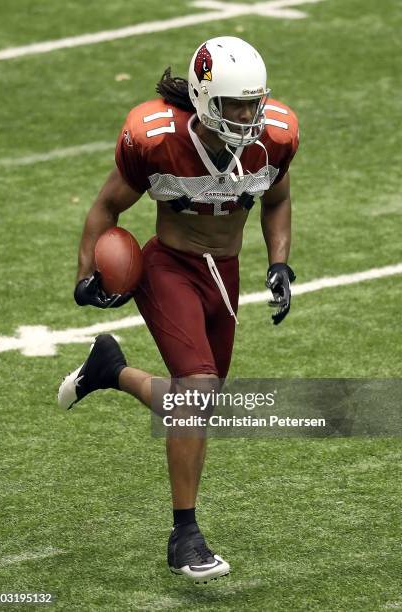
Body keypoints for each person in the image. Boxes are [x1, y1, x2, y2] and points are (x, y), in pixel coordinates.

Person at [58, 36, 298, 582]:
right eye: (234, 103)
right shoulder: (157, 139)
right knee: (198, 387)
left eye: (253, 102)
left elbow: (278, 200)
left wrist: (280, 264)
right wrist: (84, 276)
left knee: (197, 406)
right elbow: (106, 207)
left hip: (226, 274)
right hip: (169, 266)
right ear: (205, 97)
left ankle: (110, 370)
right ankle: (184, 535)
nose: (246, 114)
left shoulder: (275, 136)